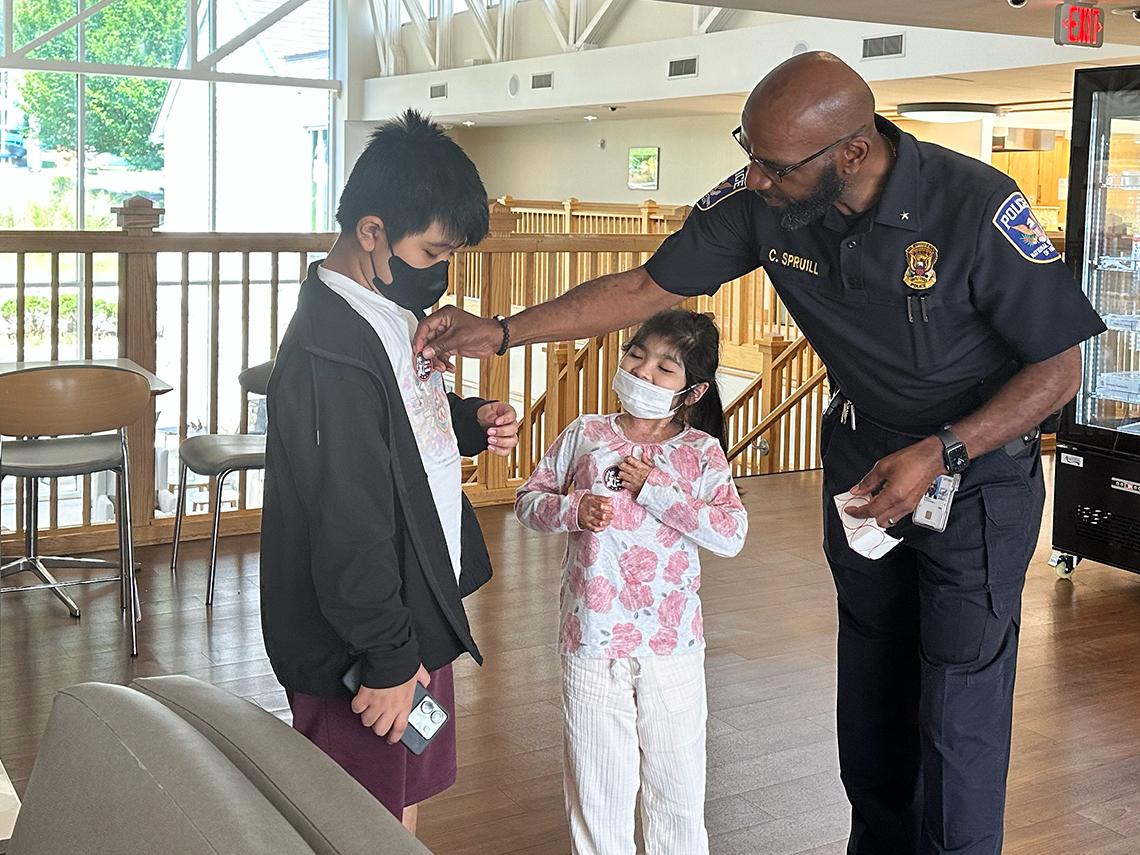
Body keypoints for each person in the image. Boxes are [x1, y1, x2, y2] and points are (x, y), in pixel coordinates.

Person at [413, 53, 1107, 854]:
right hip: (864, 462)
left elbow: (1060, 367)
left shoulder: (973, 206)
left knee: (958, 698)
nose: (754, 178)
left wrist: (944, 448)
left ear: (850, 151)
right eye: (749, 151)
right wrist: (501, 333)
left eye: (773, 166)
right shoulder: (764, 200)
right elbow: (647, 287)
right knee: (872, 681)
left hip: (974, 468)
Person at [259, 110, 520, 834]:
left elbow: (404, 426)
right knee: (357, 823)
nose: (440, 271)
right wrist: (387, 657)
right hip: (369, 635)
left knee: (398, 805)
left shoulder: (387, 310)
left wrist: (471, 419)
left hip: (410, 612)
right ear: (371, 232)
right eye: (434, 250)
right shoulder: (329, 355)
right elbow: (351, 519)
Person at [515, 309, 747, 855]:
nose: (643, 373)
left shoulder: (701, 453)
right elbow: (529, 502)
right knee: (597, 789)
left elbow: (730, 533)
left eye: (665, 368)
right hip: (592, 636)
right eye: (637, 356)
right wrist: (573, 509)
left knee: (678, 786)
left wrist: (656, 489)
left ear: (691, 392)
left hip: (673, 644)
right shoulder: (585, 433)